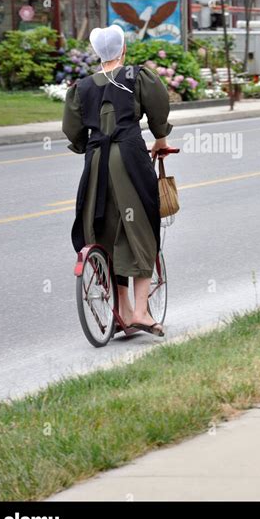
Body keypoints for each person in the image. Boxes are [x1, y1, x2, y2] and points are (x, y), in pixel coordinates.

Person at [62, 24, 174, 337]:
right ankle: (140, 312)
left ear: (98, 55)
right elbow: (158, 110)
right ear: (123, 50)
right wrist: (161, 141)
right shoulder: (138, 77)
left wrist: (91, 145)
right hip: (130, 158)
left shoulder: (81, 88)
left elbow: (73, 131)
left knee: (105, 230)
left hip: (97, 163)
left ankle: (122, 310)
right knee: (141, 230)